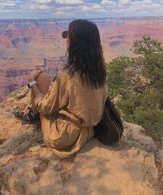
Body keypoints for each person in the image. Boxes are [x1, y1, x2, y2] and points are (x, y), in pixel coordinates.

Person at [26, 19, 107, 158]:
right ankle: (31, 112)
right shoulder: (99, 72)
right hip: (89, 131)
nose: (65, 39)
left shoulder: (67, 75)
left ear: (74, 42)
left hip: (64, 137)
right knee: (44, 78)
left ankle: (32, 116)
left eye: (67, 35)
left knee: (38, 78)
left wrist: (32, 83)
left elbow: (45, 107)